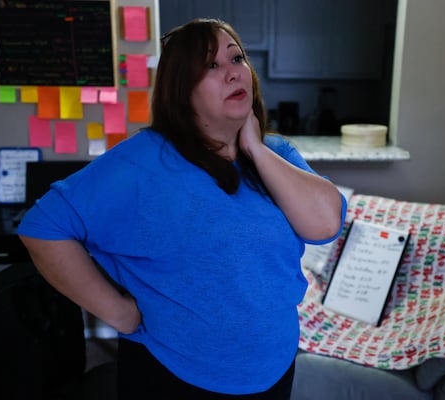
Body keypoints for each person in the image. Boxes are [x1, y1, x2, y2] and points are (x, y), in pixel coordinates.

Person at [18, 18, 346, 399]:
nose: (232, 73)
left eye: (236, 58)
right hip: (176, 372)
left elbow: (324, 224)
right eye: (210, 65)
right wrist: (119, 312)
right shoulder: (143, 162)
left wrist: (255, 148)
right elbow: (43, 227)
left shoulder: (276, 154)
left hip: (272, 367)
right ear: (181, 89)